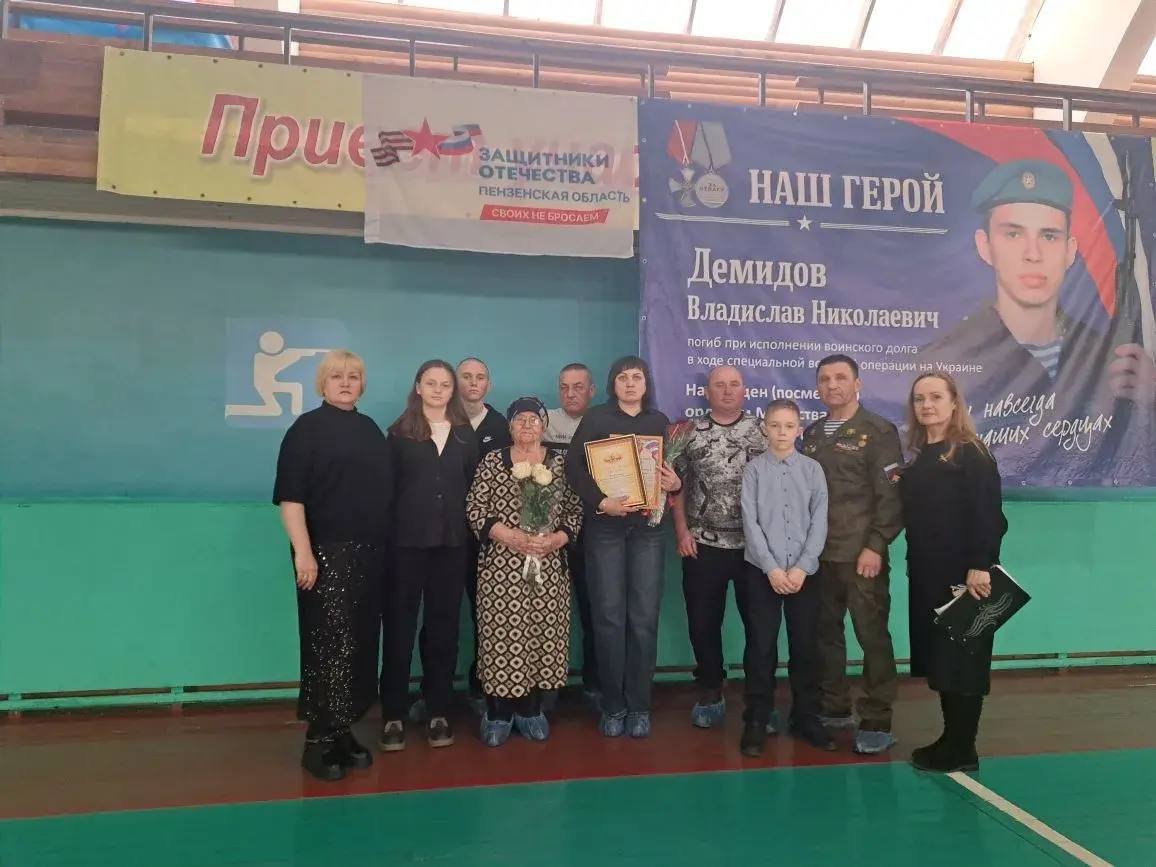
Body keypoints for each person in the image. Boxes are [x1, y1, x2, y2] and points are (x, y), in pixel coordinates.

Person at [916, 159, 1156, 477]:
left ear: (1070, 250)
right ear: (985, 246)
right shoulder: (945, 360)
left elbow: (1133, 462)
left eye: (1049, 236)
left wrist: (1148, 403)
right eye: (1014, 234)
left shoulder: (1107, 358)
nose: (1033, 254)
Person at [272, 350, 391, 781]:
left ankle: (342, 729)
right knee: (328, 645)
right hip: (324, 554)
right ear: (322, 383)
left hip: (370, 553)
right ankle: (317, 739)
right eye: (337, 376)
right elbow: (290, 498)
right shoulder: (305, 430)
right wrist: (303, 553)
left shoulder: (370, 430)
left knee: (359, 644)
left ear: (362, 384)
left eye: (353, 376)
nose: (345, 383)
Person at [565, 355, 682, 738]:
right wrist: (601, 501)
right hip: (605, 529)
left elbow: (673, 474)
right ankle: (613, 705)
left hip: (648, 530)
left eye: (637, 377)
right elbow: (573, 468)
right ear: (612, 384)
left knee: (644, 618)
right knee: (609, 618)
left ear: (646, 384)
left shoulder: (659, 422)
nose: (630, 383)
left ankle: (640, 705)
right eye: (622, 377)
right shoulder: (596, 419)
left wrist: (675, 483)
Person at [899, 371, 1007, 773]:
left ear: (954, 402)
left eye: (935, 397)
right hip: (928, 575)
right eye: (919, 398)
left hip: (965, 577)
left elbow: (989, 515)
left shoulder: (971, 453)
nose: (927, 405)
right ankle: (951, 738)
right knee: (943, 661)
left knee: (965, 661)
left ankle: (963, 747)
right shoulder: (922, 455)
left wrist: (981, 564)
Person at [466, 397, 585, 746]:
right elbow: (475, 508)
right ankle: (498, 711)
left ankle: (531, 709)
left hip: (548, 566)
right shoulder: (492, 461)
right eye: (521, 420)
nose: (528, 425)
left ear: (544, 425)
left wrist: (557, 539)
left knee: (539, 633)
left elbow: (575, 511)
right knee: (501, 636)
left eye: (535, 419)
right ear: (509, 426)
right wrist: (510, 536)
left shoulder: (560, 463)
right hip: (501, 567)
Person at [801, 354, 903, 755]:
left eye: (841, 377)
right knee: (826, 635)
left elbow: (891, 496)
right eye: (824, 379)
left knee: (871, 636)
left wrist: (876, 545)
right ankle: (835, 706)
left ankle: (877, 717)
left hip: (861, 556)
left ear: (857, 384)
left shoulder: (878, 431)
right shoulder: (812, 434)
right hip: (819, 555)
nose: (832, 385)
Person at [378, 360, 478, 752]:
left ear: (453, 391)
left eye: (445, 384)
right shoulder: (398, 434)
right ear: (417, 387)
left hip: (451, 547)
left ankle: (438, 710)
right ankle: (393, 714)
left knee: (443, 630)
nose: (438, 390)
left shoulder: (465, 435)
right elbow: (386, 494)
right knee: (399, 628)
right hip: (405, 546)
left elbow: (473, 491)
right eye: (431, 383)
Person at [670, 364, 766, 729]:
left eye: (734, 385)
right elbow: (676, 487)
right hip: (702, 544)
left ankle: (759, 697)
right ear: (707, 393)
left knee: (759, 625)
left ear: (745, 391)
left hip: (754, 549)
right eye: (719, 385)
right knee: (703, 622)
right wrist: (681, 532)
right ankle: (711, 688)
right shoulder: (689, 434)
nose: (727, 391)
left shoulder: (763, 431)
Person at [739, 399, 832, 756]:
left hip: (804, 574)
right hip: (763, 571)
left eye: (789, 426)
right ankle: (757, 718)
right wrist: (772, 568)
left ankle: (806, 717)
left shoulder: (812, 470)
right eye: (775, 425)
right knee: (761, 647)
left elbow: (819, 519)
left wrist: (802, 566)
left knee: (806, 647)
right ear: (765, 428)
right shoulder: (753, 471)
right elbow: (750, 522)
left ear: (799, 429)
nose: (781, 432)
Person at [543, 362, 600, 703]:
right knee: (547, 612)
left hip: (593, 532)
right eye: (564, 387)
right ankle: (546, 688)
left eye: (578, 387)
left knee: (594, 610)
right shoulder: (543, 422)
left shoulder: (603, 423)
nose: (571, 393)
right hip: (549, 533)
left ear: (592, 391)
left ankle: (594, 684)